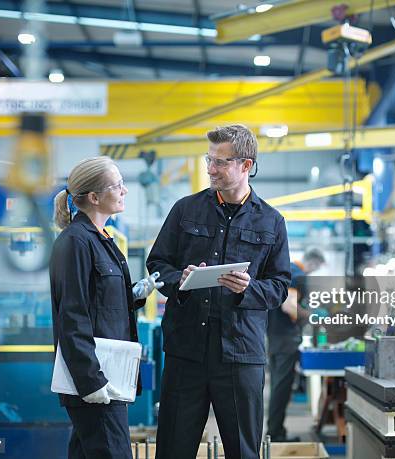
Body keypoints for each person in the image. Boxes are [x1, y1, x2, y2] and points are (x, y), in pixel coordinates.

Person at [147, 124, 291, 459]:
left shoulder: (271, 222)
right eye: (208, 160)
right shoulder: (185, 211)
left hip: (240, 355)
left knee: (243, 451)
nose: (210, 169)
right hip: (187, 352)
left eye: (220, 162)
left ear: (246, 165)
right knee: (173, 449)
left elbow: (280, 286)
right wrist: (179, 281)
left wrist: (249, 289)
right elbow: (158, 264)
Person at [50, 156, 162, 459]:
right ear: (95, 197)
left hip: (108, 375)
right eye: (118, 185)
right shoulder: (75, 243)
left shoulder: (102, 239)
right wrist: (91, 380)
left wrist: (136, 294)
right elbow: (72, 317)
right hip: (97, 380)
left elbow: (100, 303)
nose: (125, 191)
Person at [266, 248, 326, 442]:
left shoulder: (288, 271)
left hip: (275, 337)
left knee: (278, 385)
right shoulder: (297, 275)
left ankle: (275, 431)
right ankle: (276, 434)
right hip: (286, 339)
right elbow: (289, 306)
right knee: (281, 388)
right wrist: (312, 316)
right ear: (313, 263)